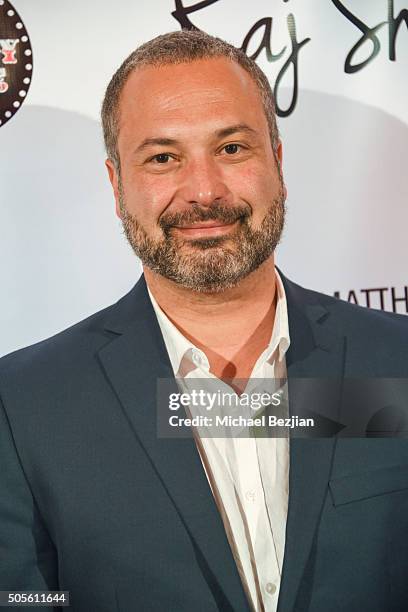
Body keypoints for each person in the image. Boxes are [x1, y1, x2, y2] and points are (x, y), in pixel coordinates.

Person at [1, 29, 408, 612]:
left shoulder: (396, 360)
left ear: (278, 162)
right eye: (163, 157)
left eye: (232, 148)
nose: (204, 191)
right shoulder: (24, 404)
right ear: (118, 186)